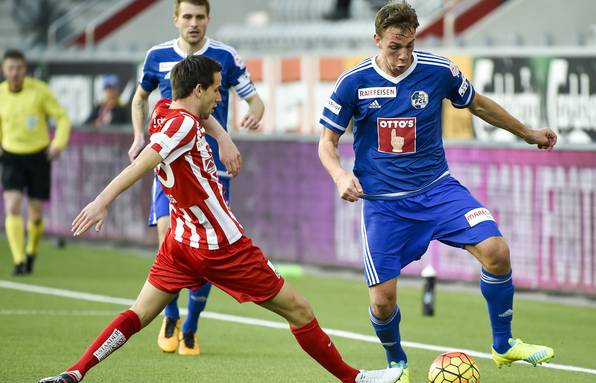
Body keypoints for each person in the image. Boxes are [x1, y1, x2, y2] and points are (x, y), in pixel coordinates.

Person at [37, 55, 402, 383]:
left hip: (180, 243)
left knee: (138, 313)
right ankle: (355, 380)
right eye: (215, 90)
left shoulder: (163, 109)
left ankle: (74, 372)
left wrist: (223, 136)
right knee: (300, 310)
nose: (219, 97)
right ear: (198, 89)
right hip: (222, 245)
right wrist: (103, 200)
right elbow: (146, 160)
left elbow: (196, 120)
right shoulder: (181, 127)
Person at [317, 2, 556, 382]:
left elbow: (476, 103)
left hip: (437, 190)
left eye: (409, 45)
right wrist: (339, 175)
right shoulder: (353, 82)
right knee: (382, 302)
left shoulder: (438, 70)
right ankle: (397, 362)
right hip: (385, 206)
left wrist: (527, 133)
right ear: (377, 40)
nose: (402, 55)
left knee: (496, 252)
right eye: (394, 46)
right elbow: (326, 143)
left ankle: (504, 343)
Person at [127, 0, 264, 356]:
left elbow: (255, 100)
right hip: (170, 166)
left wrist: (251, 115)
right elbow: (140, 98)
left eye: (199, 17)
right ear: (175, 19)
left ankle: (191, 325)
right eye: (186, 16)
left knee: (206, 247)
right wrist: (139, 136)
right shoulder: (157, 56)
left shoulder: (226, 56)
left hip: (212, 171)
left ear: (208, 20)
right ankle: (170, 315)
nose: (193, 23)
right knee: (167, 237)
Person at [0, 49, 71, 276]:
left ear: (25, 69)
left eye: (19, 68)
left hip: (38, 155)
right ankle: (19, 259)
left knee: (36, 212)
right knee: (11, 205)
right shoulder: (0, 94)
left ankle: (31, 252)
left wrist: (58, 143)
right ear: (4, 70)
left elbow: (61, 118)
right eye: (11, 68)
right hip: (11, 155)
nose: (15, 73)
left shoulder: (39, 92)